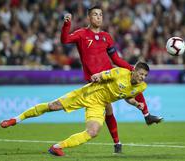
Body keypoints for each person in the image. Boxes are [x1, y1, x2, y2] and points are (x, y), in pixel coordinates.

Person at [0, 62, 163, 156]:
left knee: (93, 132)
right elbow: (103, 74)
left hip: (98, 105)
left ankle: (57, 147)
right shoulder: (120, 72)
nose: (142, 77)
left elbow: (126, 96)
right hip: (87, 93)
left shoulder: (142, 86)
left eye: (144, 76)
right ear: (133, 70)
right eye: (140, 73)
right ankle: (15, 119)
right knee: (52, 106)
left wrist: (136, 104)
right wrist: (97, 76)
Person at [61, 5, 161, 153]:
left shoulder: (106, 37)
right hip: (96, 80)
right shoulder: (82, 34)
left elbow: (115, 58)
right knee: (108, 109)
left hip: (110, 76)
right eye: (95, 15)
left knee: (135, 85)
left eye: (100, 15)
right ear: (89, 17)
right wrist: (67, 24)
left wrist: (131, 68)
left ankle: (143, 118)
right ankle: (118, 142)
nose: (99, 17)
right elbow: (65, 40)